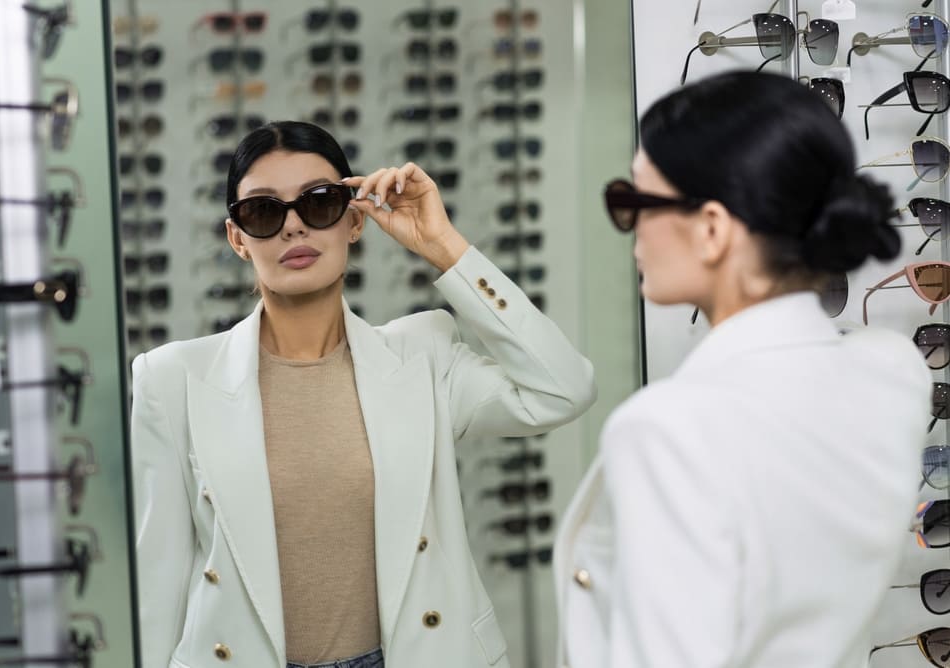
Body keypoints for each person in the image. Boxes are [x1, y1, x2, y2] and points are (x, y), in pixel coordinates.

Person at [130, 120, 596, 668]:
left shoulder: (423, 355)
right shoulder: (171, 379)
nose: (293, 227)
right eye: (263, 211)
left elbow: (562, 390)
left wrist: (444, 246)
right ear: (238, 238)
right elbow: (155, 589)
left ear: (354, 221)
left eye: (319, 202)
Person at [554, 71, 931, 668]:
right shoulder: (893, 374)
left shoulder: (668, 431)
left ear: (710, 230)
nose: (629, 230)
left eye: (634, 203)